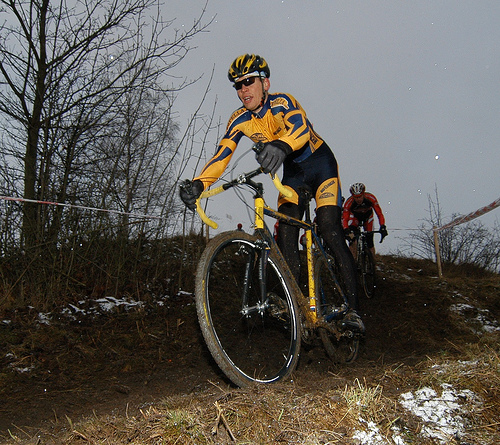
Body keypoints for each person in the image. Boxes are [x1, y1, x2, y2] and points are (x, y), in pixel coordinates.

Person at [179, 54, 364, 333]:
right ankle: (296, 305)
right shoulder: (239, 119)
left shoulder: (282, 102)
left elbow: (301, 127)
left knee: (329, 227)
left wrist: (281, 145)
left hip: (321, 164)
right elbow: (222, 155)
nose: (244, 90)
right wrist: (199, 184)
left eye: (249, 82)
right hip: (293, 175)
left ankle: (354, 310)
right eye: (238, 85)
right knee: (285, 234)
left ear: (265, 83)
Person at [342, 183, 388, 259]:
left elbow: (379, 214)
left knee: (370, 242)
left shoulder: (371, 198)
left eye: (360, 196)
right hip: (355, 218)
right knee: (353, 241)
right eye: (356, 197)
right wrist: (346, 229)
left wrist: (382, 226)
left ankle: (373, 262)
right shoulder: (349, 202)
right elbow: (345, 218)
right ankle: (352, 262)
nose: (358, 199)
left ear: (363, 194)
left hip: (368, 217)